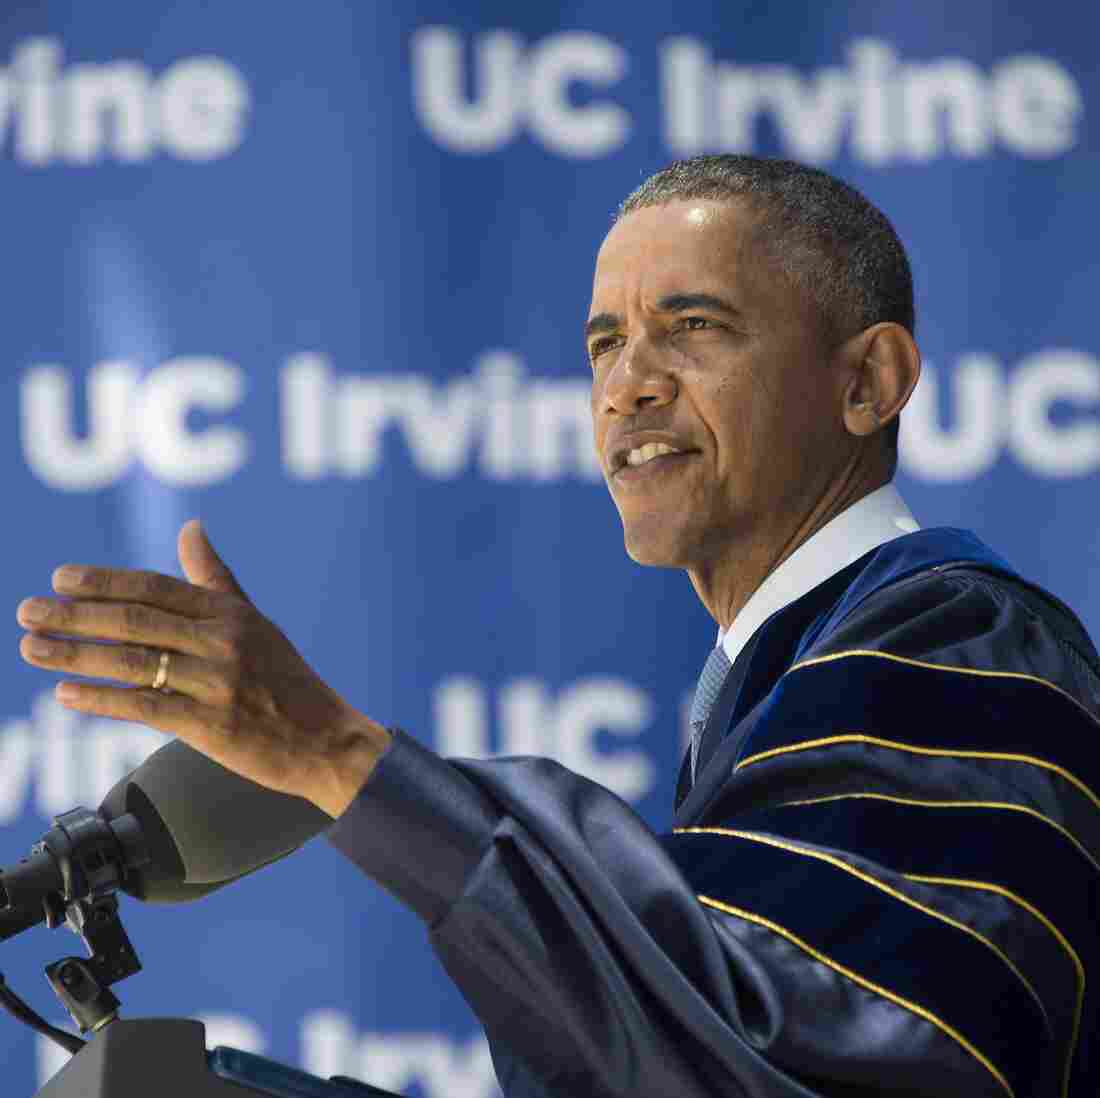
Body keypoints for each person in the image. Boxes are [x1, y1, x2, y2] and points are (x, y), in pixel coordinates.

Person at [16, 155, 1098, 1098]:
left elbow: (799, 1069)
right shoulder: (790, 681)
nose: (627, 386)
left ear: (867, 382)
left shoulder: (957, 649)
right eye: (602, 343)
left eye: (693, 328)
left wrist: (338, 757)